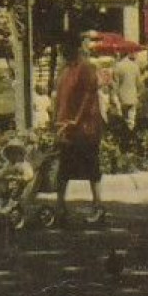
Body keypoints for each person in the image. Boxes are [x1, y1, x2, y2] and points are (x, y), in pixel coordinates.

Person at [53, 38, 106, 224]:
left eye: (67, 51)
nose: (64, 55)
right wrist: (57, 121)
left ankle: (98, 206)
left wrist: (76, 119)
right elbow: (60, 99)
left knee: (92, 168)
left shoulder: (86, 69)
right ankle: (60, 207)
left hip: (86, 128)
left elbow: (87, 96)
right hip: (67, 128)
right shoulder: (65, 71)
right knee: (63, 169)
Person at [112, 51, 143, 135]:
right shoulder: (135, 66)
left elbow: (115, 85)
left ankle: (125, 137)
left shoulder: (117, 66)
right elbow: (139, 83)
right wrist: (138, 95)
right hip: (133, 97)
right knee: (131, 120)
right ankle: (131, 136)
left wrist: (114, 98)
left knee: (123, 119)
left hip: (122, 97)